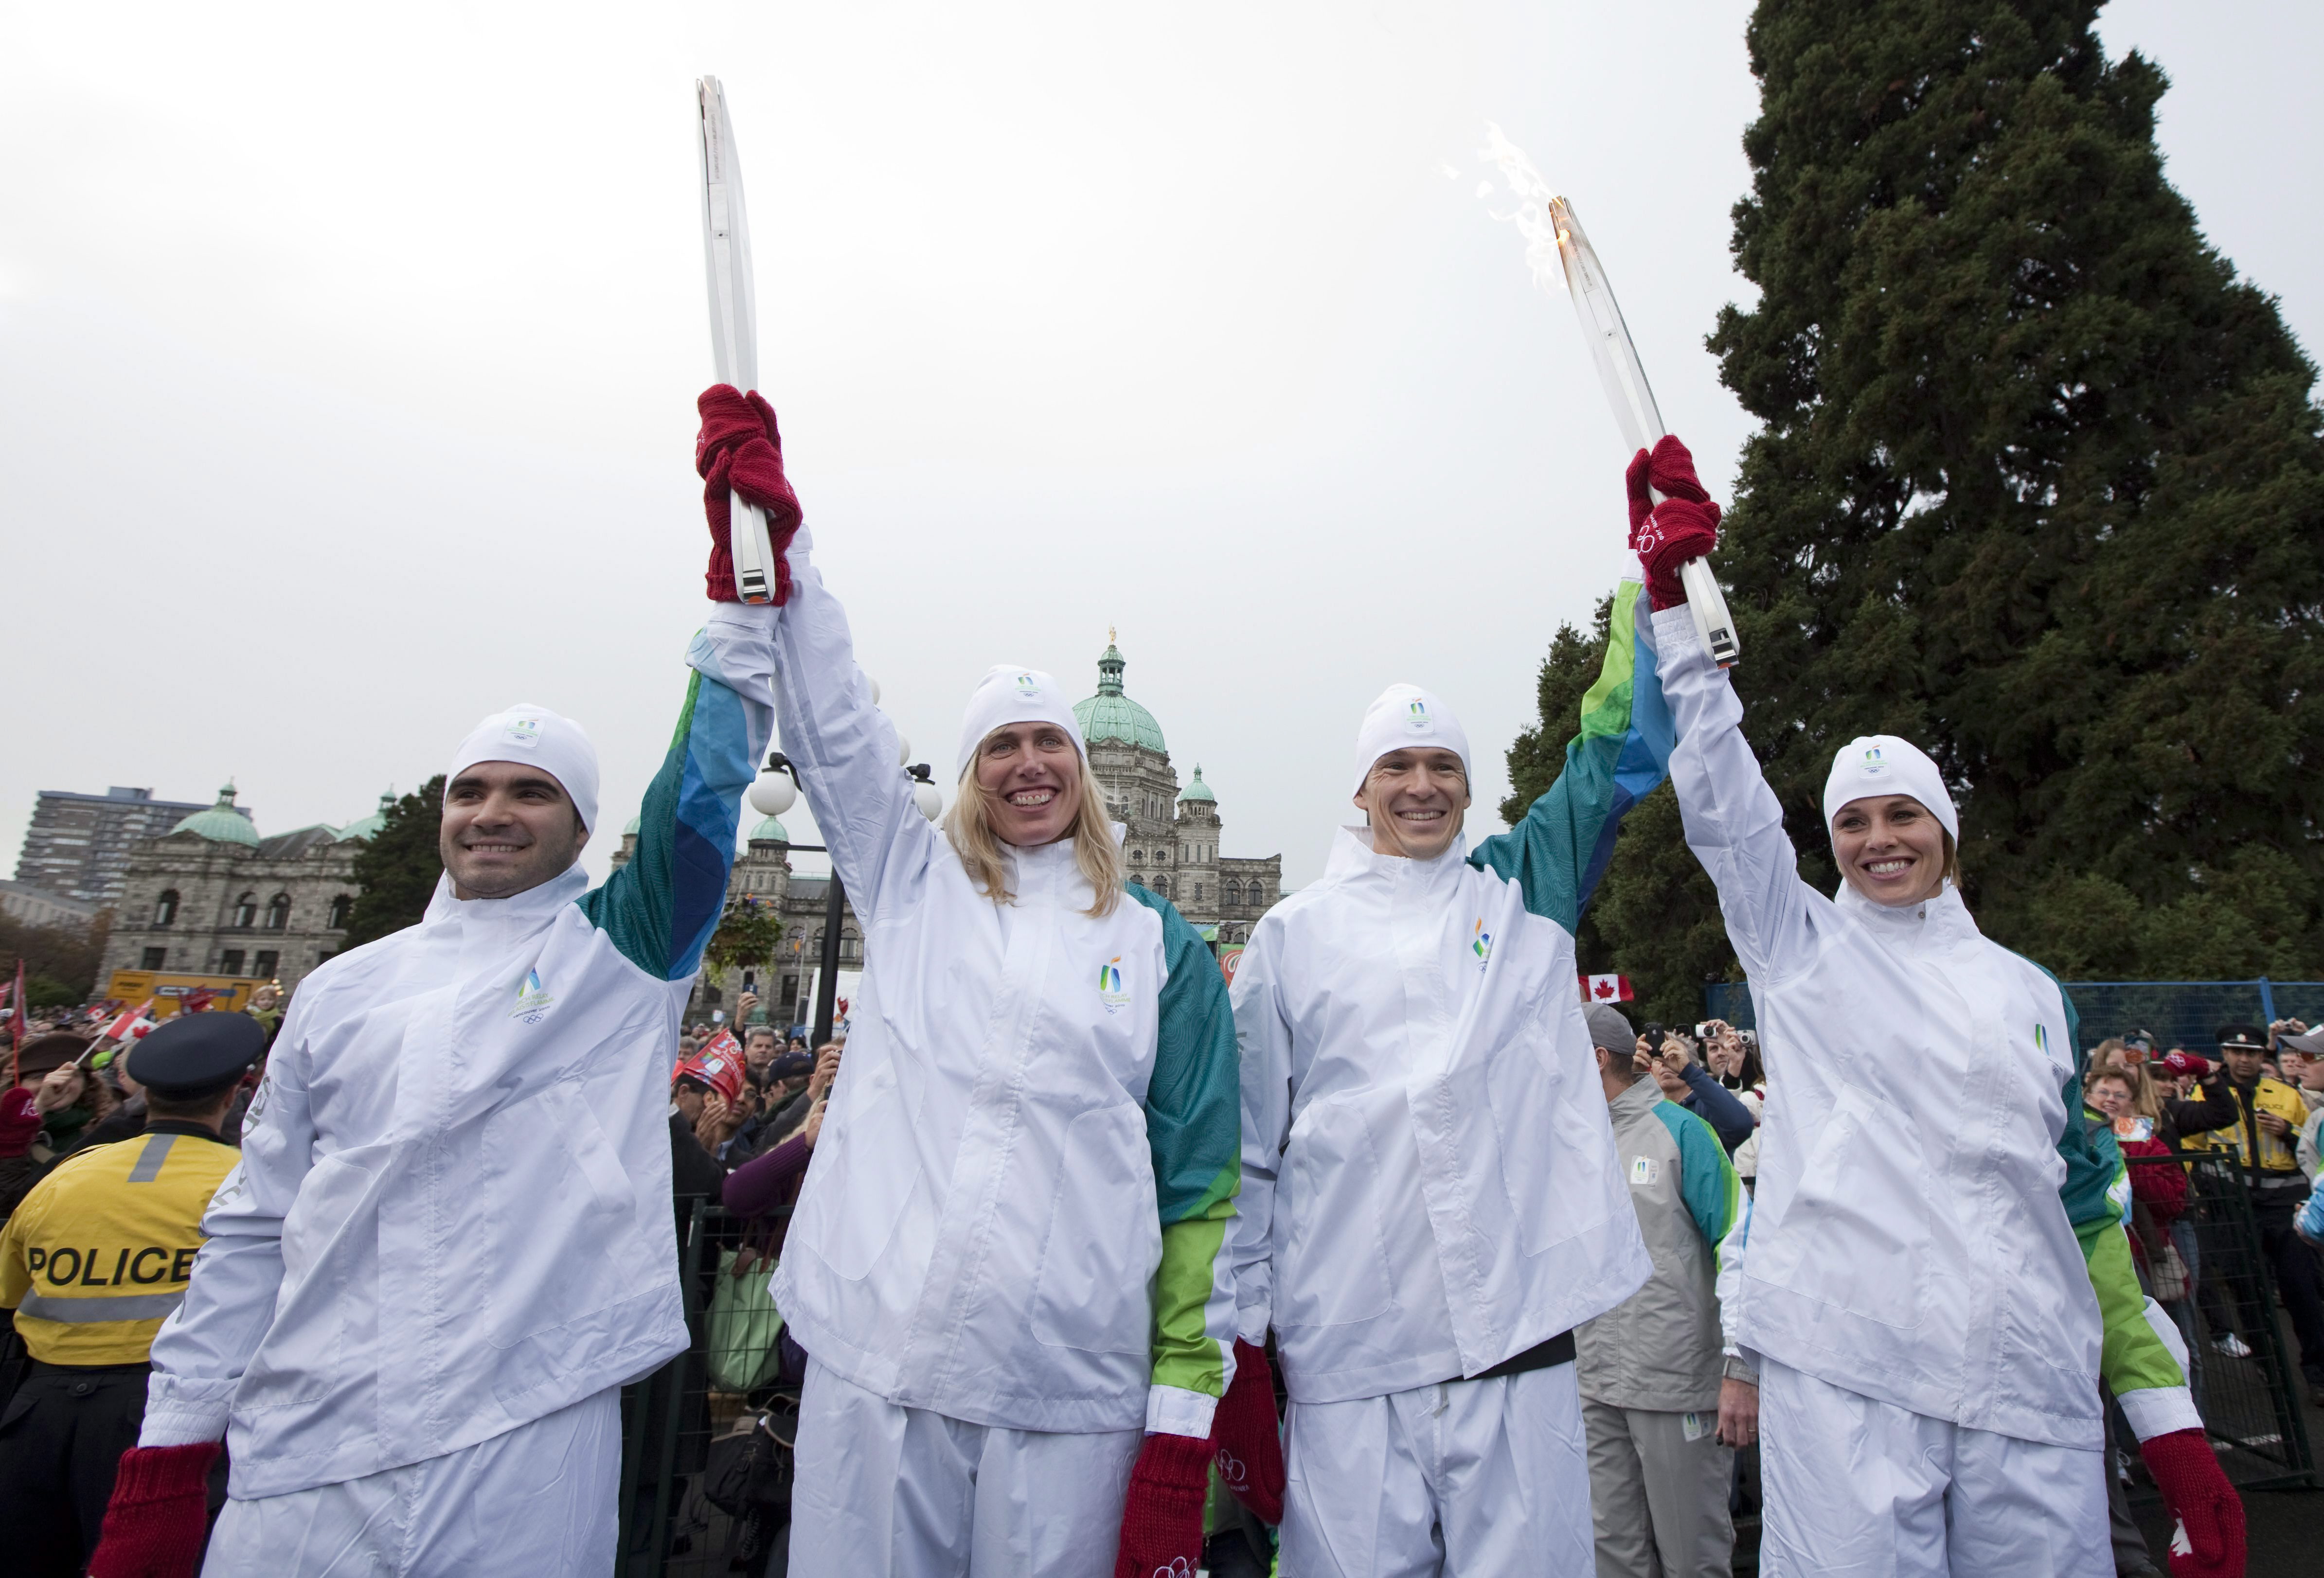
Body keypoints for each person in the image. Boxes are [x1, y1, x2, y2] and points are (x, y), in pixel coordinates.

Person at [83, 386, 790, 1578]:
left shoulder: (614, 957)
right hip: (300, 1442)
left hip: (519, 1441)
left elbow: (702, 792)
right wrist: (170, 1448)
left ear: (580, 826)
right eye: (471, 789)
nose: (491, 814)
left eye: (530, 793)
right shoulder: (344, 988)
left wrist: (740, 587)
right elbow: (255, 1223)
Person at [1626, 435, 2242, 1578]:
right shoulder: (1796, 950)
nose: (1876, 841)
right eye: (1851, 823)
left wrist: (2171, 1433)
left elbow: (2078, 1207)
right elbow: (1721, 803)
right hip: (1850, 1369)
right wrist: (1673, 613)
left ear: (1943, 830)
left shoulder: (2026, 993)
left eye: (1900, 814)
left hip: (2022, 1368)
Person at [757, 406, 1241, 1578]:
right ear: (968, 774)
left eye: (1054, 743)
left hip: (1067, 1370)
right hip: (883, 1357)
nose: (1030, 763)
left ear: (1091, 771)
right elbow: (831, 727)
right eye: (1000, 745)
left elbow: (1200, 1180)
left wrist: (1183, 1404)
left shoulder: (1161, 945)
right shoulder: (913, 885)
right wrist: (780, 543)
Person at [1220, 582, 1673, 1577]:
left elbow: (1608, 763)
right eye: (1397, 765)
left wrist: (1657, 606)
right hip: (1348, 1341)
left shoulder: (1519, 896)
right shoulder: (1295, 935)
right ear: (1360, 787)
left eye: (1442, 767)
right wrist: (1239, 1323)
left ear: (1468, 789)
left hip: (1510, 1337)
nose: (1420, 785)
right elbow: (1247, 1147)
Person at [0, 1013, 260, 1576]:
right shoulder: (245, 1182)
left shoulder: (67, 1176)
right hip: (162, 1418)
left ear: (143, 1092)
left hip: (36, 1413)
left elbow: (12, 1290)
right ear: (233, 1093)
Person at [1577, 1002, 1747, 1578]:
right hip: (1594, 1386)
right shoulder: (1571, 1143)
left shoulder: (1683, 1132)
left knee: (1691, 1557)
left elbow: (1738, 1248)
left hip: (1674, 1385)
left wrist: (1740, 1368)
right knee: (1612, 1557)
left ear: (1597, 1058)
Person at [2180, 1024, 2324, 1403]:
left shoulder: (2286, 1093)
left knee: (2303, 1288)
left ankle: (2317, 1371)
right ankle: (2271, 1370)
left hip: (2283, 1200)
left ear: (2264, 1056)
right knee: (2249, 1294)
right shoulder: (2205, 1093)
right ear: (2225, 1054)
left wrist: (2287, 1130)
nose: (2245, 1059)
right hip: (2232, 1203)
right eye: (2236, 1052)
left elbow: (2310, 1144)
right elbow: (2191, 1147)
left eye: (2253, 1053)